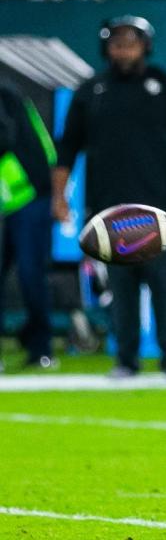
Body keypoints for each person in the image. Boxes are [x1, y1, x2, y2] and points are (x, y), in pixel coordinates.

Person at [53, 16, 166, 381]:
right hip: (110, 212)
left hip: (160, 209)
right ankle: (125, 358)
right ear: (107, 49)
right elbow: (67, 148)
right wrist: (59, 196)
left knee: (165, 287)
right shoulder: (91, 91)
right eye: (117, 43)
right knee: (120, 290)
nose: (124, 50)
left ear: (146, 46)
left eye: (131, 42)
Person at [0, 83, 56, 369]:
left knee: (30, 273)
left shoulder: (6, 95)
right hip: (12, 198)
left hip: (29, 195)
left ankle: (41, 347)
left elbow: (4, 138)